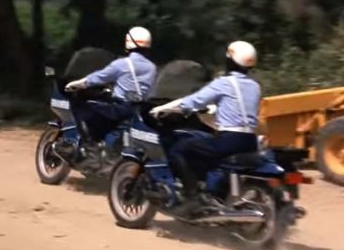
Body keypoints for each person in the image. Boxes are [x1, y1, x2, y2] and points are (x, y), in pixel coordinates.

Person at [150, 40, 261, 217]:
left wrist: (163, 108)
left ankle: (192, 198)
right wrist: (214, 108)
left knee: (179, 149)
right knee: (203, 149)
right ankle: (211, 194)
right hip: (250, 141)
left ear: (230, 61)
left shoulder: (224, 83)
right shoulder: (255, 86)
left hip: (229, 140)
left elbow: (193, 101)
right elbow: (237, 107)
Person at [65, 27, 157, 156]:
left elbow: (99, 77)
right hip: (139, 109)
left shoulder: (122, 63)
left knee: (80, 106)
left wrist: (78, 84)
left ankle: (90, 143)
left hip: (119, 108)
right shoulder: (152, 67)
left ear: (128, 42)